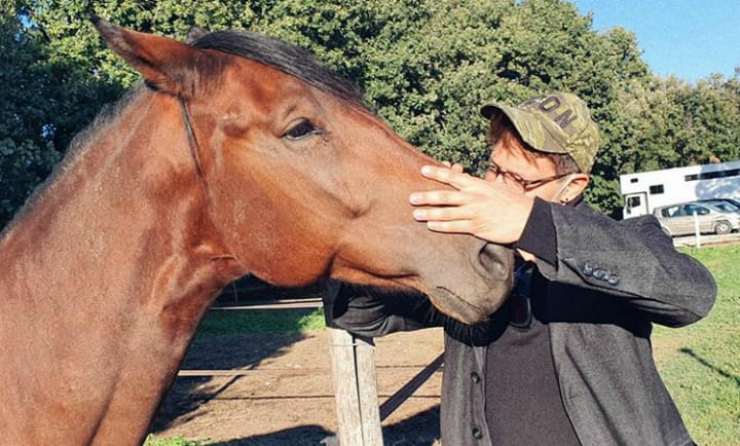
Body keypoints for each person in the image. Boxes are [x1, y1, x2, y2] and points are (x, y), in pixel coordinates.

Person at [323, 92, 716, 446]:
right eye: (494, 170)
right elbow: (358, 315)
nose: (497, 188)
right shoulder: (470, 259)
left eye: (518, 179)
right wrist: (403, 236)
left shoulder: (626, 238)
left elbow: (692, 294)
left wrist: (532, 227)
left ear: (572, 185)